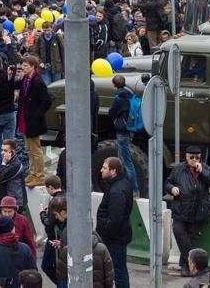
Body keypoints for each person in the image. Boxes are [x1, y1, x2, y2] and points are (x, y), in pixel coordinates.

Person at [165, 147, 210, 277]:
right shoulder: (178, 169)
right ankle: (199, 267)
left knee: (188, 237)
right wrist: (172, 188)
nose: (194, 160)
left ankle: (185, 265)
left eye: (197, 158)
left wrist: (202, 172)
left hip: (198, 211)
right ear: (186, 157)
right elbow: (167, 182)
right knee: (179, 233)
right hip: (180, 209)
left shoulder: (205, 168)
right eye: (191, 157)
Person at [95, 157, 133, 288]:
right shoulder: (119, 184)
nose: (101, 170)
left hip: (114, 239)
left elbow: (114, 220)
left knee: (118, 271)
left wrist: (103, 230)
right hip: (117, 236)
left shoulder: (117, 191)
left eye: (104, 168)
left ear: (113, 171)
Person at [15, 56, 52, 188]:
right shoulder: (26, 78)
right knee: (29, 149)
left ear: (32, 67)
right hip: (25, 119)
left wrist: (38, 114)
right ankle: (32, 173)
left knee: (36, 150)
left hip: (33, 121)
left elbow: (47, 100)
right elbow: (13, 85)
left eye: (25, 66)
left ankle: (39, 175)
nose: (23, 68)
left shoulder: (37, 81)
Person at [107, 74, 139, 194]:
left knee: (126, 161)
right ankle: (124, 186)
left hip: (122, 131)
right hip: (130, 128)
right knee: (123, 159)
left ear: (114, 85)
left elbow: (112, 113)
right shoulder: (130, 92)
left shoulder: (119, 98)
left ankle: (134, 189)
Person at [0, 196, 35, 260]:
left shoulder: (23, 220)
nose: (7, 214)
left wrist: (33, 260)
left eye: (10, 211)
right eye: (5, 211)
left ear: (15, 210)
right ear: (1, 211)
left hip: (19, 255)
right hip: (0, 256)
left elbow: (30, 241)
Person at [0, 140, 27, 209]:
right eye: (2, 150)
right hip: (6, 200)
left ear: (13, 152)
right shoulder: (7, 162)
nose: (2, 153)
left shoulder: (15, 164)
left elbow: (0, 178)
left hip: (16, 203)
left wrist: (3, 163)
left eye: (5, 150)